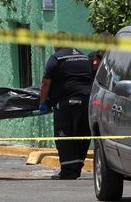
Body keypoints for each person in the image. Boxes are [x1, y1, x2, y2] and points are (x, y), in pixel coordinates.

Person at [39, 45, 93, 180]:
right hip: (87, 100)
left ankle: (68, 171)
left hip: (65, 102)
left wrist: (42, 102)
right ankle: (77, 168)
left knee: (64, 134)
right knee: (82, 134)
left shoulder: (56, 58)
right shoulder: (84, 56)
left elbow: (46, 83)